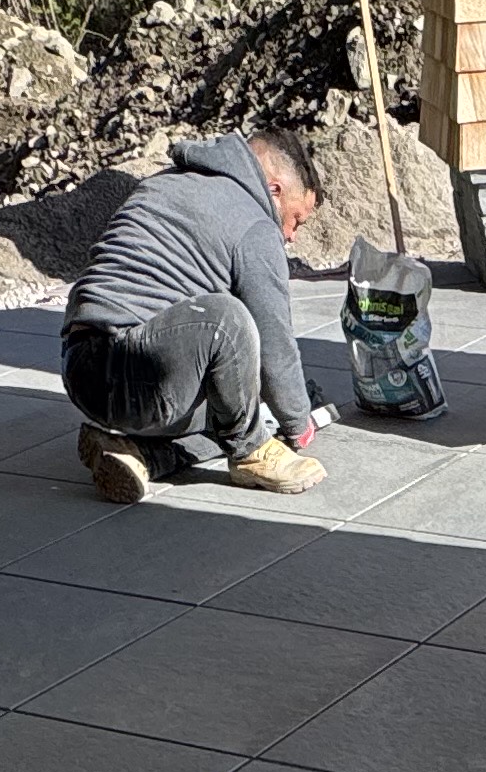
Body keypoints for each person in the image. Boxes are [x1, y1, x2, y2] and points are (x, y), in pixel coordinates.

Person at [61, 132, 330, 501]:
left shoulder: (170, 181)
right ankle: (252, 452)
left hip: (81, 369)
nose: (292, 236)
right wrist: (298, 423)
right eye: (296, 220)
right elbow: (275, 344)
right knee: (226, 320)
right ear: (274, 189)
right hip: (134, 370)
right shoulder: (255, 224)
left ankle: (139, 455)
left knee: (235, 402)